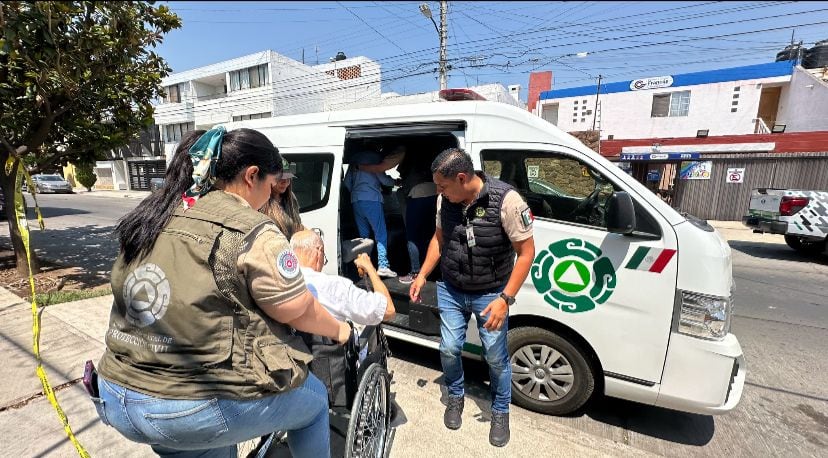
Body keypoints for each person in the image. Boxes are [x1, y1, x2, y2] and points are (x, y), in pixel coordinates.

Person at [95, 127, 352, 458]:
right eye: (272, 187)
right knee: (315, 402)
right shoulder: (251, 228)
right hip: (184, 409)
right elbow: (296, 308)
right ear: (252, 176)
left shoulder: (155, 214)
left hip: (115, 394)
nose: (272, 196)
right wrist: (340, 329)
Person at [408, 148, 535, 448]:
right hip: (452, 288)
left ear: (462, 178)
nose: (438, 192)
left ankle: (500, 410)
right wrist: (423, 274)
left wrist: (506, 299)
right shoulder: (446, 200)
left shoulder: (507, 201)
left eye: (442, 186)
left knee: (494, 355)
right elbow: (439, 240)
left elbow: (527, 252)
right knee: (450, 348)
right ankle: (456, 395)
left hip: (491, 292)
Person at [290, 229, 395, 325]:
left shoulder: (283, 283)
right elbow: (388, 311)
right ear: (319, 251)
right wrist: (370, 268)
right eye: (324, 257)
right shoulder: (335, 287)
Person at [343, 145, 404, 278]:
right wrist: (395, 181)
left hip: (356, 201)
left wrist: (357, 190)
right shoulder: (375, 158)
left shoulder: (354, 160)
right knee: (380, 234)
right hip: (372, 199)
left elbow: (347, 183)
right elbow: (384, 180)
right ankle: (383, 266)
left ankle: (366, 266)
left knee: (363, 237)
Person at [395, 149, 439, 284]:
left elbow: (405, 177)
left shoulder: (409, 159)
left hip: (417, 194)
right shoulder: (430, 161)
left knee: (412, 237)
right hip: (434, 193)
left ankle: (415, 272)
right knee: (432, 235)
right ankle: (432, 271)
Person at [261, 157, 304, 240]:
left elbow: (298, 226)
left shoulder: (291, 198)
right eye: (280, 178)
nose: (285, 181)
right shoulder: (261, 202)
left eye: (288, 177)